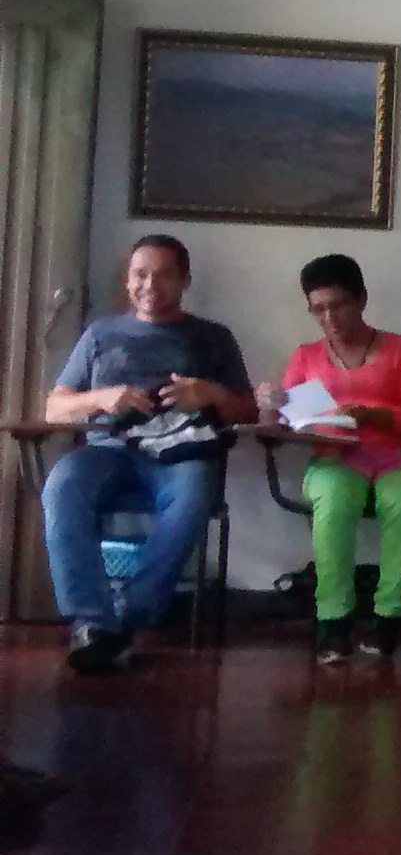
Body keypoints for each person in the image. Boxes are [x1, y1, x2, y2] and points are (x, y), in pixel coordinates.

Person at [42, 235, 256, 675]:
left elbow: (248, 410)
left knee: (195, 492)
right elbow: (54, 408)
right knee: (62, 484)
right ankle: (91, 620)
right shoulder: (100, 335)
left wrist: (210, 394)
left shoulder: (212, 337)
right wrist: (101, 398)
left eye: (164, 275)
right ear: (127, 280)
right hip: (110, 450)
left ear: (185, 281)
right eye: (140, 274)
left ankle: (125, 618)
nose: (150, 285)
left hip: (180, 452)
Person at [257, 254, 401, 664]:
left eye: (338, 305)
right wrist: (269, 409)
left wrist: (371, 415)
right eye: (318, 309)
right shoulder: (305, 356)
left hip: (398, 456)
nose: (329, 318)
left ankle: (388, 615)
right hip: (335, 457)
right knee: (334, 500)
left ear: (361, 300)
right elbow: (280, 428)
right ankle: (332, 618)